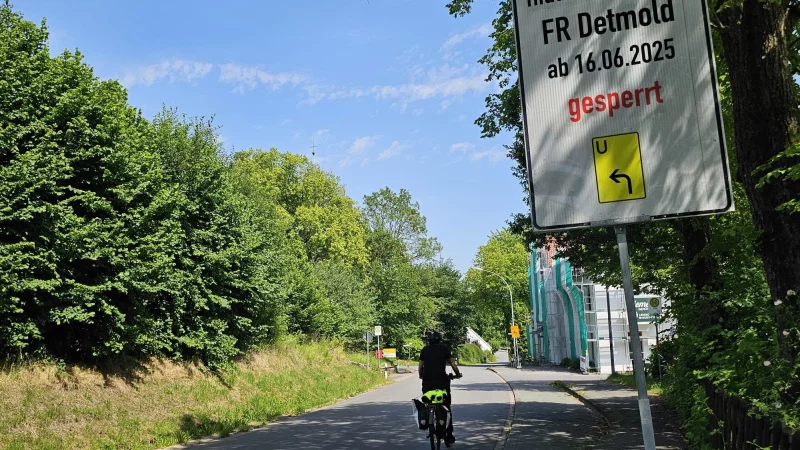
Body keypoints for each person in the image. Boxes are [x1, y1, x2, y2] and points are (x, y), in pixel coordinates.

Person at [419, 330, 461, 446]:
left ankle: (428, 418)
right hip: (442, 383)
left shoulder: (424, 350)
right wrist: (457, 374)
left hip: (427, 383)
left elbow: (420, 366)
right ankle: (448, 436)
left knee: (428, 402)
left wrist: (421, 375)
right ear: (439, 340)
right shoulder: (444, 349)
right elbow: (452, 364)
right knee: (446, 407)